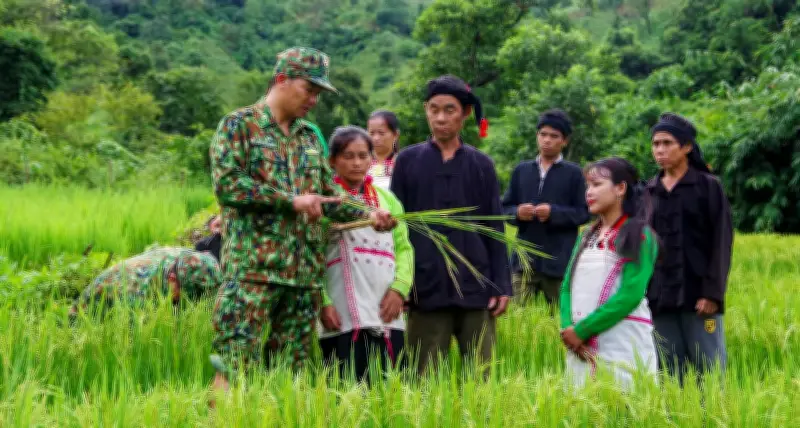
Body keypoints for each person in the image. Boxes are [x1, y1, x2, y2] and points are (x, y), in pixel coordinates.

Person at [207, 47, 396, 396]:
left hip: (303, 276)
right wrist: (290, 201)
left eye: (318, 93)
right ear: (282, 79)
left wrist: (368, 214)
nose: (313, 99)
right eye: (309, 89)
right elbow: (229, 185)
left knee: (288, 374)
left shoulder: (309, 136)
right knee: (233, 364)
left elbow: (328, 193)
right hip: (253, 272)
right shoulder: (239, 125)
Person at [390, 74, 511, 376]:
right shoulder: (407, 161)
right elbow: (398, 230)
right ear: (425, 110)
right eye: (434, 109)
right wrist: (400, 284)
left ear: (465, 113)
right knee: (424, 378)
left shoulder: (481, 165)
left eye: (449, 110)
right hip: (425, 285)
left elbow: (495, 228)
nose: (440, 118)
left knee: (481, 376)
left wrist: (501, 285)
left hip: (476, 284)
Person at [317, 126, 414, 383]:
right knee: (345, 383)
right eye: (348, 156)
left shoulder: (387, 200)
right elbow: (309, 255)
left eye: (363, 156)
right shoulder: (325, 202)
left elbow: (404, 248)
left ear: (372, 159)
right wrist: (323, 301)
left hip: (385, 304)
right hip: (340, 310)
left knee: (391, 383)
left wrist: (400, 289)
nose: (356, 163)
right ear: (332, 161)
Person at [645, 113, 733, 383]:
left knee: (710, 370)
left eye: (667, 143)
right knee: (669, 373)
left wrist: (712, 293)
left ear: (686, 147)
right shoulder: (648, 191)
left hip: (699, 298)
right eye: (656, 144)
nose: (660, 150)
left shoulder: (708, 187)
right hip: (660, 298)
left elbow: (721, 242)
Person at [559, 157, 659, 389]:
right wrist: (569, 330)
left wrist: (582, 330)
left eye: (596, 185)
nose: (588, 192)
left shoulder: (639, 235)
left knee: (625, 399)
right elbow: (566, 287)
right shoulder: (586, 235)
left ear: (620, 188)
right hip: (579, 343)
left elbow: (630, 294)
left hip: (621, 339)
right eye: (588, 186)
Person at [501, 109, 590, 306]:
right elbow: (504, 208)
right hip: (524, 261)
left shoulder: (574, 173)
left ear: (564, 141)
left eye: (554, 136)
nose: (547, 140)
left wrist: (554, 213)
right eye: (543, 134)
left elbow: (584, 213)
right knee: (515, 314)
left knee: (560, 316)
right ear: (537, 136)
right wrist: (517, 213)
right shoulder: (522, 170)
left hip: (558, 262)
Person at [69, 247, 221, 321]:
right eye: (186, 294)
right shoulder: (135, 293)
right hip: (88, 311)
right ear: (172, 278)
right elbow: (134, 345)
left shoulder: (194, 262)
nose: (193, 300)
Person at [366, 110, 401, 189]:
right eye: (371, 133)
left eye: (381, 133)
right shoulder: (360, 164)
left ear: (395, 135)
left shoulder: (403, 164)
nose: (376, 138)